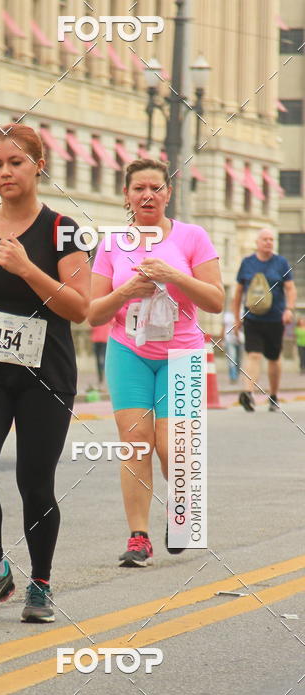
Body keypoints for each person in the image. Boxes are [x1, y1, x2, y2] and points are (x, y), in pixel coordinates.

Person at [0, 123, 90, 623]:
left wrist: (28, 268)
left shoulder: (62, 230)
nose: (5, 172)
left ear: (38, 165)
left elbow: (78, 308)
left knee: (35, 482)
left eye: (16, 163)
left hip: (45, 375)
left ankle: (42, 584)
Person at [88, 158, 224, 567]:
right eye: (138, 188)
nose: (147, 195)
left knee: (173, 446)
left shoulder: (192, 237)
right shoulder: (111, 244)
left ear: (168, 193)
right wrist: (127, 288)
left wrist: (174, 276)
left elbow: (215, 301)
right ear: (126, 197)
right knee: (135, 444)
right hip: (128, 351)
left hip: (182, 354)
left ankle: (181, 513)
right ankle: (138, 537)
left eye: (155, 187)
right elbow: (93, 313)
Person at [233, 229, 297, 412]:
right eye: (265, 239)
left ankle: (274, 395)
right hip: (252, 318)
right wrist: (237, 317)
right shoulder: (247, 263)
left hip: (276, 319)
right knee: (253, 354)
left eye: (271, 239)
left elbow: (291, 289)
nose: (268, 242)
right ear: (257, 242)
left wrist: (289, 310)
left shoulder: (281, 263)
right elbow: (238, 293)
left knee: (273, 358)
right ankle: (247, 393)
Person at [222, 305, 243, 383]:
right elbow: (223, 327)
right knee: (232, 359)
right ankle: (233, 377)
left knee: (238, 359)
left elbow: (240, 326)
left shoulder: (241, 313)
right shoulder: (227, 315)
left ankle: (236, 375)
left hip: (239, 340)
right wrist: (222, 339)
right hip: (229, 340)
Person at [91, 322, 111, 386]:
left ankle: (105, 378)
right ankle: (101, 379)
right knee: (98, 361)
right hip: (96, 340)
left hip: (104, 340)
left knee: (103, 360)